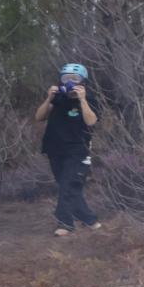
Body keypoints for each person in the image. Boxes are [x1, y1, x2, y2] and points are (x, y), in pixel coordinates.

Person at [30, 63, 105, 235]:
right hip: (54, 149)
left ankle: (65, 223)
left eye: (75, 79)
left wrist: (82, 99)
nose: (70, 82)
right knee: (68, 187)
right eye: (66, 78)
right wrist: (49, 98)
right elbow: (39, 117)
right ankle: (91, 221)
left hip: (78, 150)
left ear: (83, 82)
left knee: (68, 184)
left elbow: (91, 121)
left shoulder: (90, 99)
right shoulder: (57, 99)